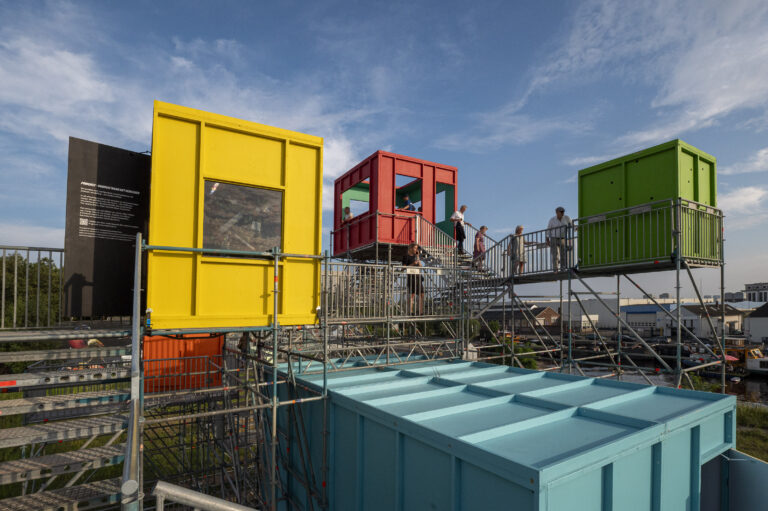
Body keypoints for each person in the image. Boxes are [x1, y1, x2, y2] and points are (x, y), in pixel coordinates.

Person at [546, 206, 573, 271]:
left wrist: (576, 228)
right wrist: (547, 240)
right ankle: (555, 269)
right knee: (555, 254)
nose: (562, 213)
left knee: (563, 254)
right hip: (554, 238)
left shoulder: (567, 218)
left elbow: (572, 224)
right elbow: (548, 230)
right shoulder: (552, 220)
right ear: (557, 212)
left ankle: (563, 268)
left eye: (563, 211)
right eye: (561, 212)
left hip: (562, 238)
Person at [402, 243, 424, 315]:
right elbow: (403, 268)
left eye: (416, 248)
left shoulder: (416, 256)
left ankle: (420, 312)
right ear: (410, 248)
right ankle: (411, 311)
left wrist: (418, 257)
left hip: (418, 277)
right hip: (411, 277)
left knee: (421, 294)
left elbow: (420, 266)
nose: (416, 250)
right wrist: (413, 264)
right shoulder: (406, 256)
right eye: (415, 248)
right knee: (412, 294)